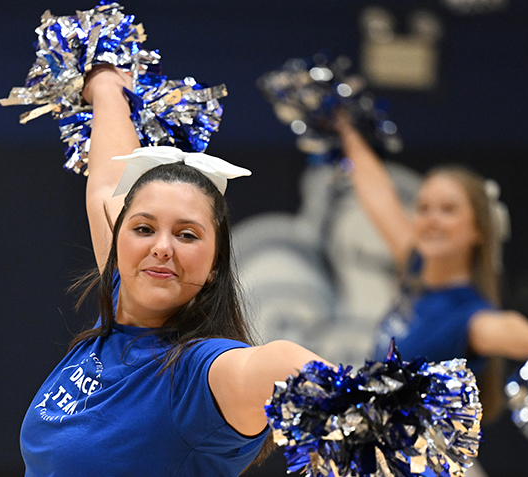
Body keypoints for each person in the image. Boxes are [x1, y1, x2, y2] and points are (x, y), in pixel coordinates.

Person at [19, 65, 330, 476]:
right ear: (119, 240)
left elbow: (273, 364)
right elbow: (105, 182)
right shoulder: (119, 299)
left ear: (216, 265)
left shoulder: (200, 374)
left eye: (187, 235)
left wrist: (359, 398)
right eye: (144, 229)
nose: (162, 248)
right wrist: (107, 81)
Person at [334, 114, 528, 422]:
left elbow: (510, 329)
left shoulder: (471, 317)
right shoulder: (416, 269)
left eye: (448, 210)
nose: (431, 220)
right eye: (423, 208)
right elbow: (377, 191)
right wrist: (344, 127)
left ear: (478, 230)